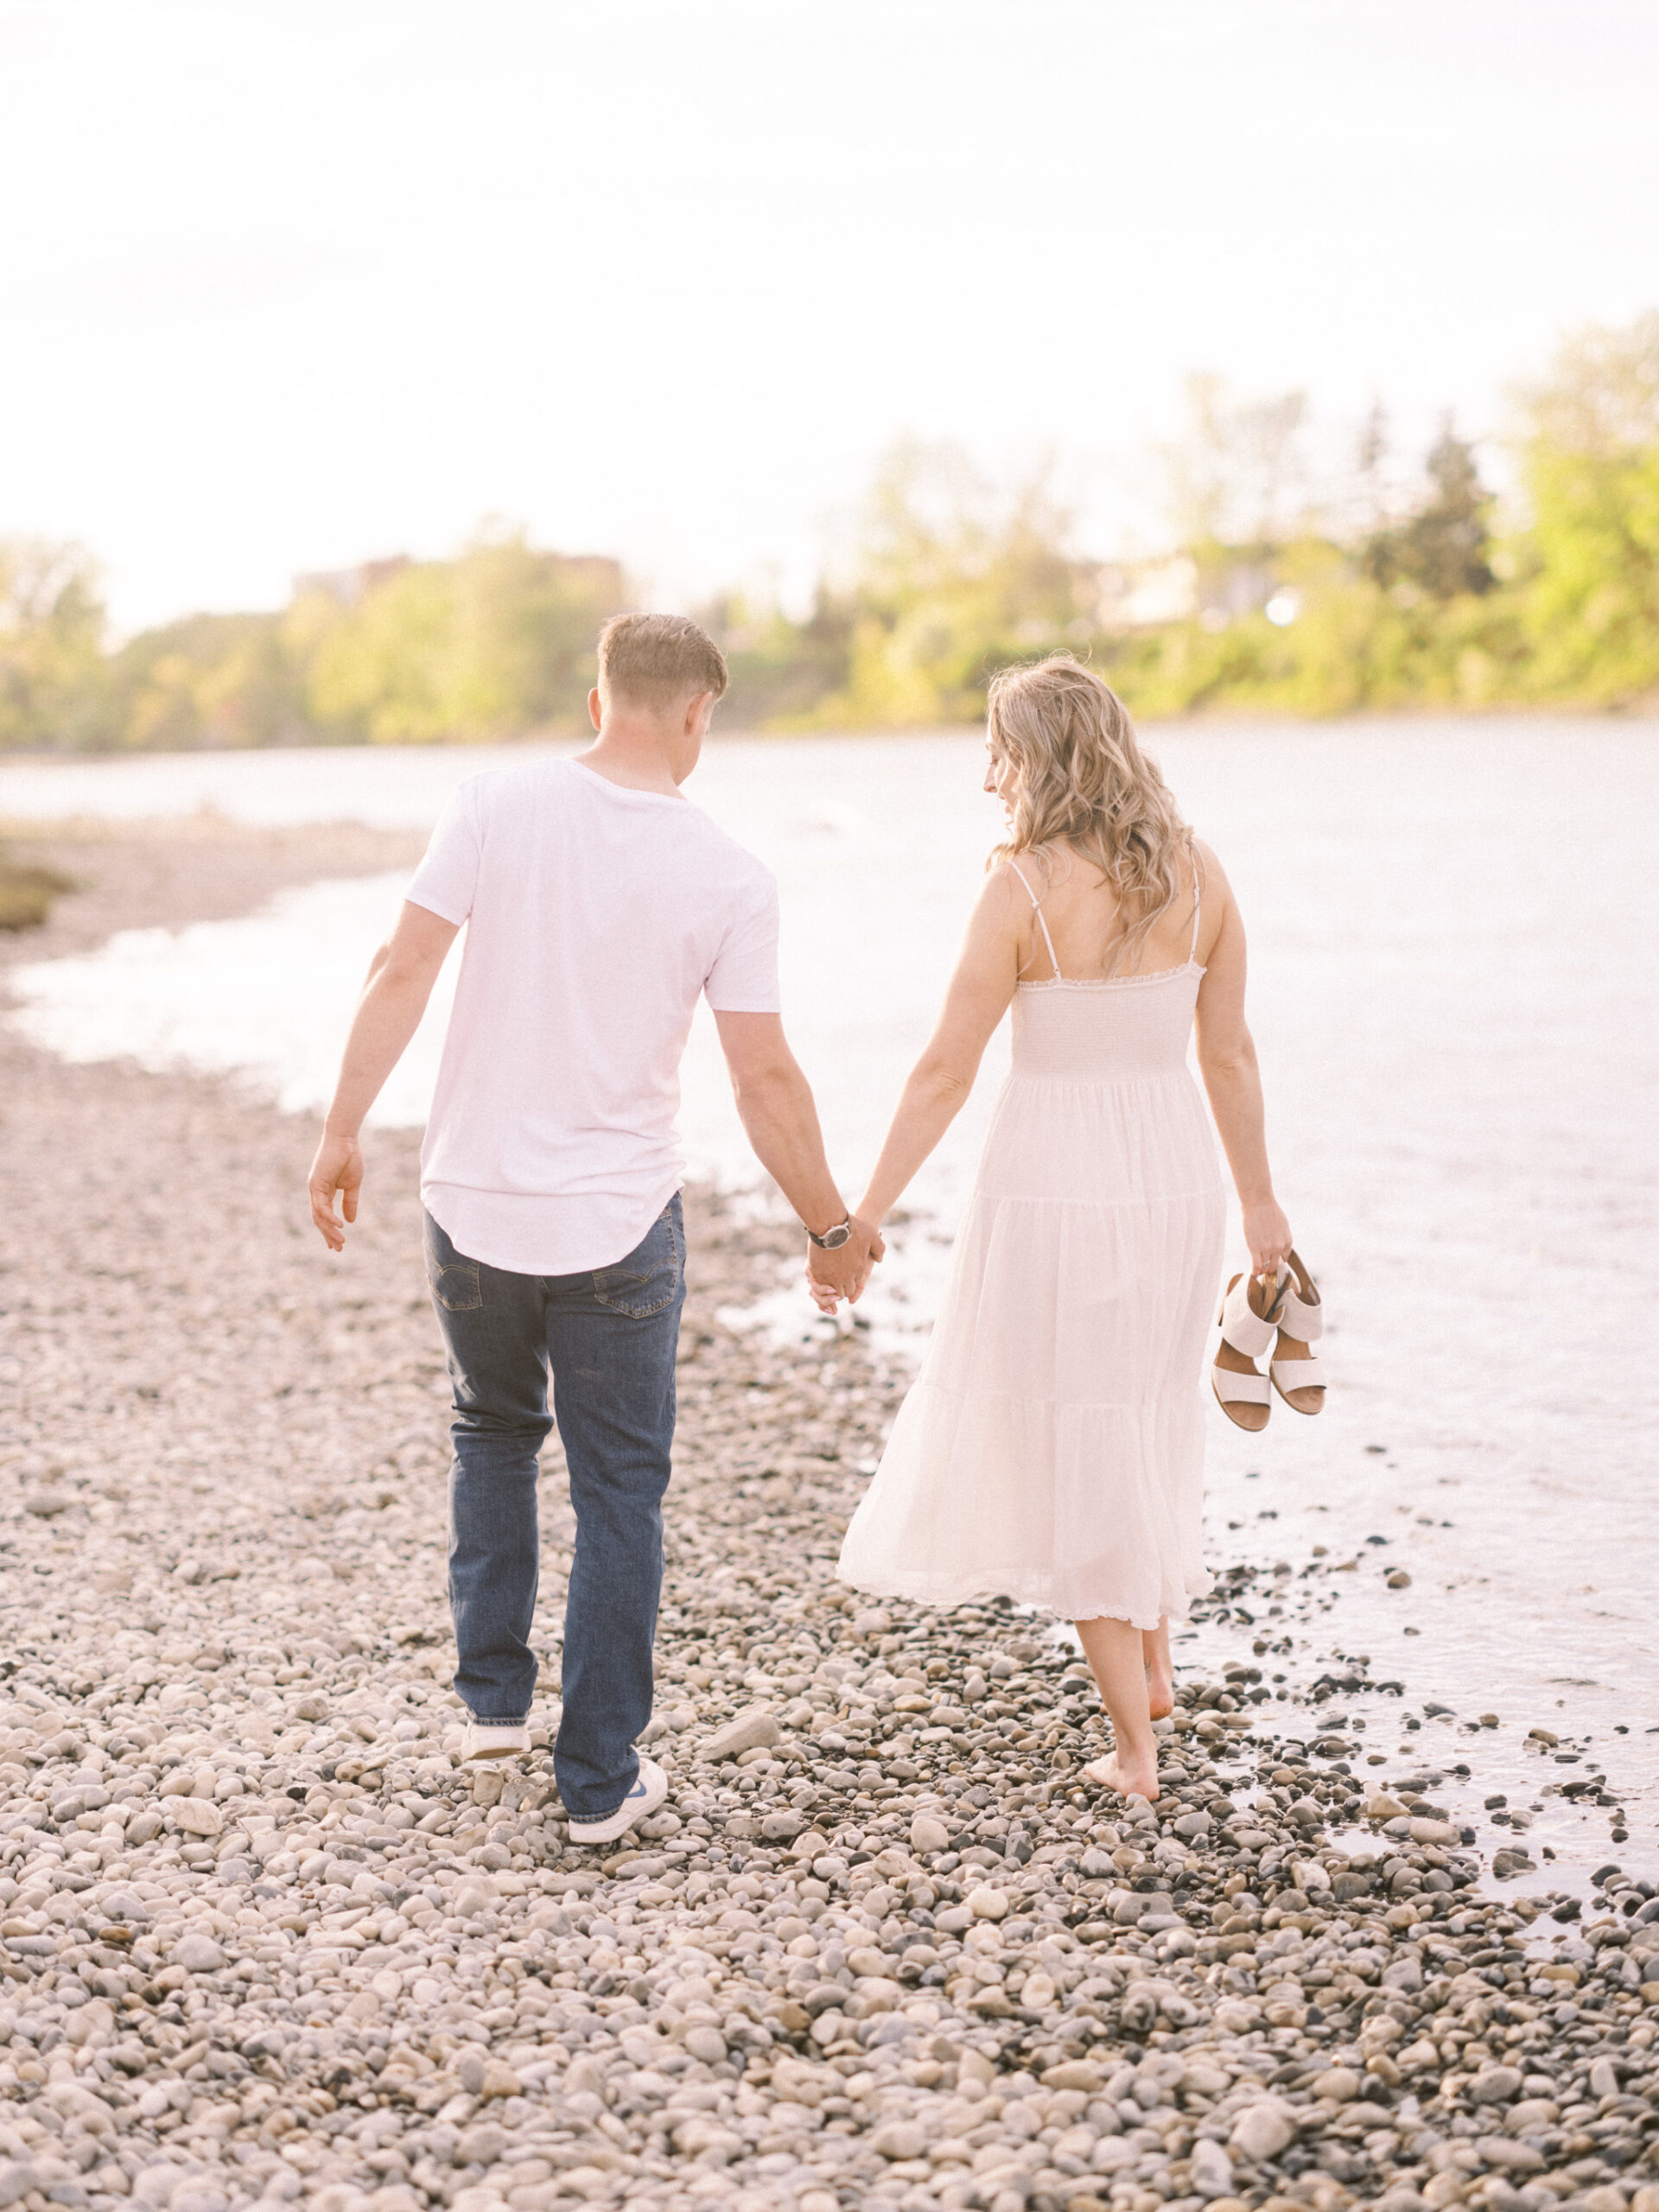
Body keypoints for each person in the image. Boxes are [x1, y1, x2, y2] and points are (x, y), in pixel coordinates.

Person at [308, 613, 880, 1847]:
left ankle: (494, 1706)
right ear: (696, 714)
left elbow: (398, 968)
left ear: (595, 699)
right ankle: (598, 1782)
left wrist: (343, 1126)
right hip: (618, 1223)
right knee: (621, 1488)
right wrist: (830, 1226)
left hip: (472, 1203)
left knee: (493, 1430)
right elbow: (765, 1080)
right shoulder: (730, 872)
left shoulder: (490, 804)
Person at [836, 655, 1294, 1802]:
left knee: (1082, 1437)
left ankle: (1135, 1754)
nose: (987, 775)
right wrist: (1261, 1208)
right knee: (1135, 1415)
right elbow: (1227, 1056)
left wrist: (865, 1212)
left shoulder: (1021, 891)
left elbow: (946, 1067)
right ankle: (1151, 1667)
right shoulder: (1201, 872)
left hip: (1052, 1180)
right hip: (1173, 1176)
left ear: (1041, 759)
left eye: (999, 750)